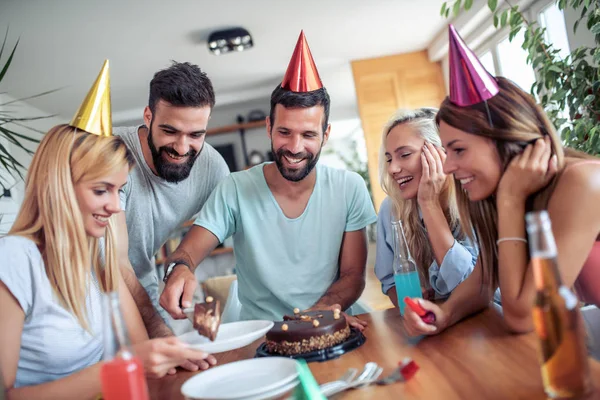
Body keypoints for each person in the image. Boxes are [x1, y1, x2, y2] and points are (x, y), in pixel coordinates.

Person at [0, 62, 211, 399]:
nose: (115, 207)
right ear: (60, 187)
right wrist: (123, 368)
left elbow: (146, 354)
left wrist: (173, 355)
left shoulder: (95, 261)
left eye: (119, 190)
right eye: (102, 191)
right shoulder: (14, 259)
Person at [159, 32, 376, 328]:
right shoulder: (235, 188)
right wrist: (181, 268)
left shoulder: (349, 187)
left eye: (309, 134)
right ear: (269, 127)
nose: (295, 147)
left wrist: (319, 313)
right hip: (262, 333)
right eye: (285, 132)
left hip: (333, 320)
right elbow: (187, 252)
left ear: (325, 135)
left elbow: (353, 275)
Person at [403, 26, 600, 337]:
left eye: (458, 150)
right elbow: (483, 280)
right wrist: (444, 312)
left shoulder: (584, 182)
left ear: (504, 138)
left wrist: (510, 199)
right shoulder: (508, 193)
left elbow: (524, 317)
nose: (449, 166)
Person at [113, 62, 229, 348]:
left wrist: (179, 266)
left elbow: (230, 221)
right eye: (170, 131)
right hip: (82, 298)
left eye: (196, 135)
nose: (181, 147)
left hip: (142, 290)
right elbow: (113, 262)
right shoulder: (110, 154)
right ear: (148, 115)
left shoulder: (212, 168)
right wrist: (158, 330)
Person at [375, 108, 477, 307]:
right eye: (389, 159)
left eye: (404, 155)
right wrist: (411, 303)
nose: (392, 169)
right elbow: (390, 281)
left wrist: (429, 204)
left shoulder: (473, 199)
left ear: (440, 154)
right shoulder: (391, 209)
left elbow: (471, 286)